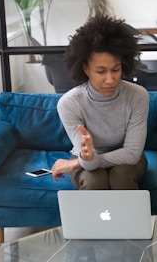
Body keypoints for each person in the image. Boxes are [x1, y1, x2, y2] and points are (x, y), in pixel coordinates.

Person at [51, 16, 149, 190]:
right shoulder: (69, 103)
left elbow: (132, 154)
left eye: (116, 69)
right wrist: (87, 160)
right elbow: (89, 162)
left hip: (126, 159)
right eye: (101, 71)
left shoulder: (137, 96)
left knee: (120, 177)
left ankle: (131, 218)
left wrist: (75, 164)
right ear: (85, 69)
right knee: (94, 181)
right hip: (86, 157)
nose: (110, 79)